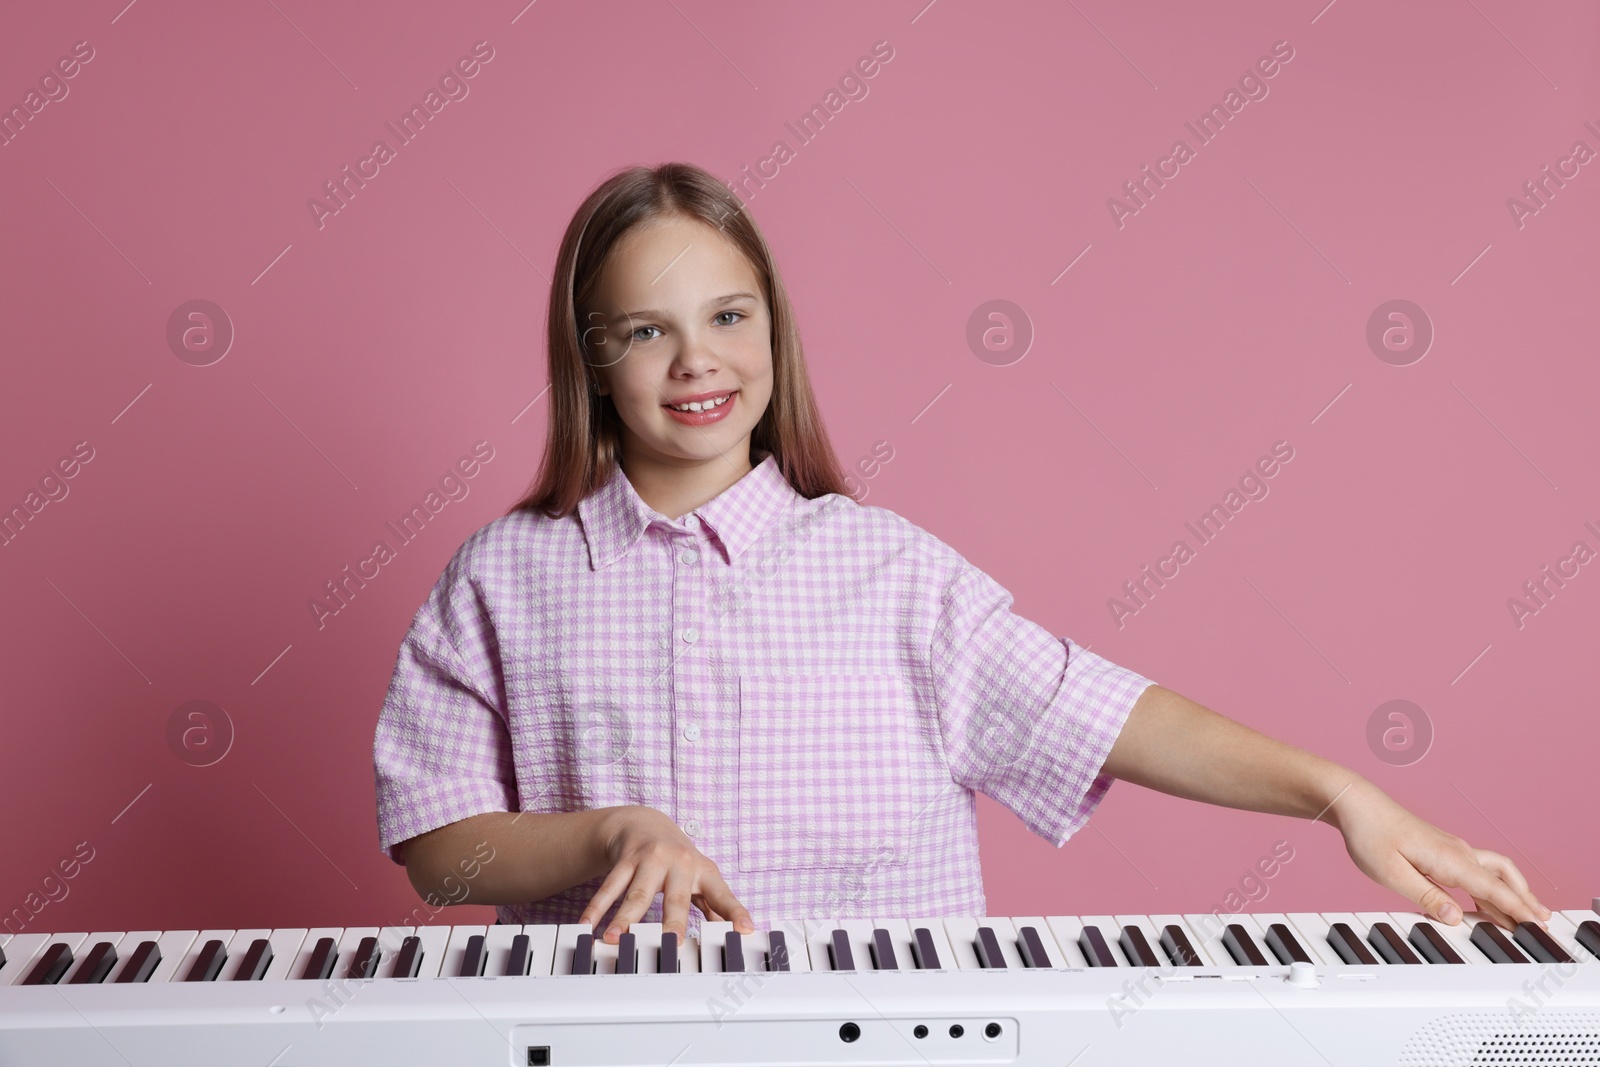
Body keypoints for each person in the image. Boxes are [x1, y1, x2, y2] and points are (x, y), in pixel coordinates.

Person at [373, 162, 1550, 949]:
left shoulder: (894, 575)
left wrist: (1338, 793)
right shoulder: (502, 577)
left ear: (773, 330)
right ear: (591, 359)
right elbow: (438, 852)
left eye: (729, 316)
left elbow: (1104, 713)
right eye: (646, 330)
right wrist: (611, 829)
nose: (697, 362)